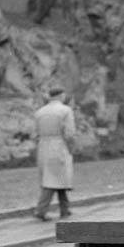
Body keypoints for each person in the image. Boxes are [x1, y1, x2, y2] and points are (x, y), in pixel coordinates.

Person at [33, 86, 76, 221]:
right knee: (53, 180)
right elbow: (69, 133)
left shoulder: (39, 112)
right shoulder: (65, 110)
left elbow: (35, 133)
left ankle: (65, 208)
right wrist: (71, 147)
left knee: (56, 178)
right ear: (61, 96)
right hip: (59, 145)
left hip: (43, 146)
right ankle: (41, 209)